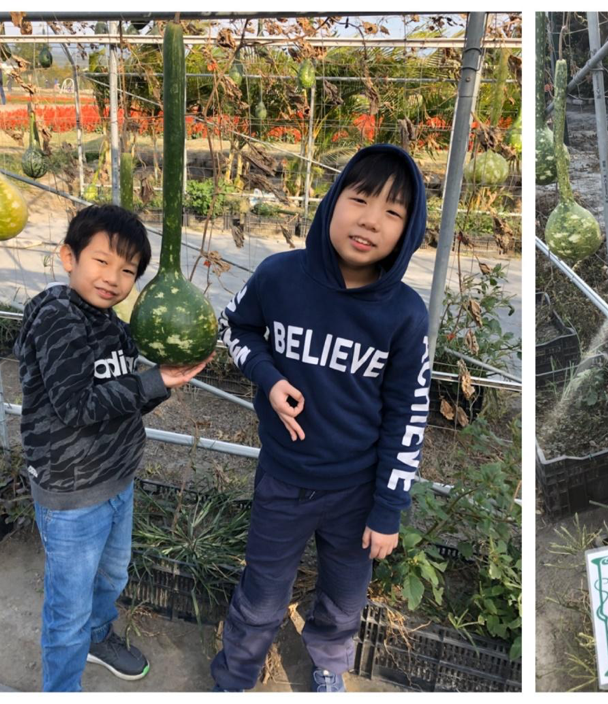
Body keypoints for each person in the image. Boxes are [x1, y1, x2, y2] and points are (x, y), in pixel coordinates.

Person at [213, 144, 431, 692]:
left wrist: (388, 508)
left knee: (343, 595)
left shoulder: (405, 315)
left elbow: (410, 413)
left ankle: (329, 664)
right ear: (333, 201)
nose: (370, 220)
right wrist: (269, 377)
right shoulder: (279, 277)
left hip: (356, 492)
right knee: (262, 591)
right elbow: (234, 328)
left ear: (407, 230)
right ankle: (236, 673)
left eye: (392, 212)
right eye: (359, 199)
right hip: (284, 479)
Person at [13, 204, 214, 691]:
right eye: (102, 261)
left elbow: (121, 403)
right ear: (69, 257)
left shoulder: (114, 327)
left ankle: (99, 638)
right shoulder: (57, 317)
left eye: (128, 271)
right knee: (68, 608)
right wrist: (152, 381)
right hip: (72, 494)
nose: (113, 278)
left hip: (115, 480)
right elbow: (77, 406)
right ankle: (61, 689)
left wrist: (163, 385)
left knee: (112, 578)